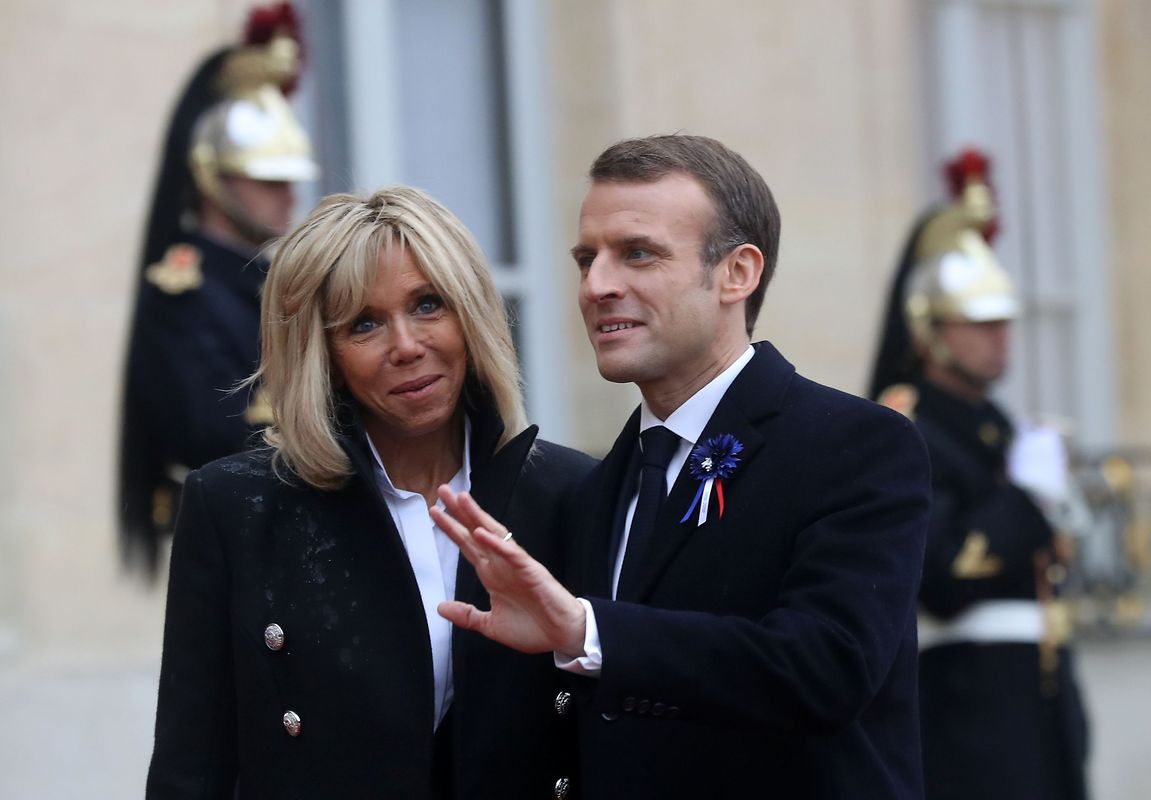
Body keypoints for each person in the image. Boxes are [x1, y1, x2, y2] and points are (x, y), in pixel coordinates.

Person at [432, 134, 932, 798]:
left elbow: (826, 667)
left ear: (737, 273)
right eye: (587, 259)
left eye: (637, 254)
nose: (597, 285)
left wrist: (589, 630)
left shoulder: (855, 444)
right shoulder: (596, 486)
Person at [145, 186, 594, 799]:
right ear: (320, 354)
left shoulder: (573, 492)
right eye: (364, 324)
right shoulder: (234, 507)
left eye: (429, 304)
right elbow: (190, 769)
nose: (407, 346)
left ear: (472, 314)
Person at [867, 150, 1090, 799]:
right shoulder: (906, 427)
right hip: (965, 705)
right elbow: (941, 575)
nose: (1000, 339)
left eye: (1003, 323)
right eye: (980, 324)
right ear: (929, 330)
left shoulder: (995, 425)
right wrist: (1025, 500)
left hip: (1036, 701)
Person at [119, 2, 319, 575]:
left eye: (289, 179)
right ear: (214, 177)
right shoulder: (182, 290)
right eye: (267, 179)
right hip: (236, 531)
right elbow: (214, 432)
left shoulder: (270, 278)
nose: (288, 195)